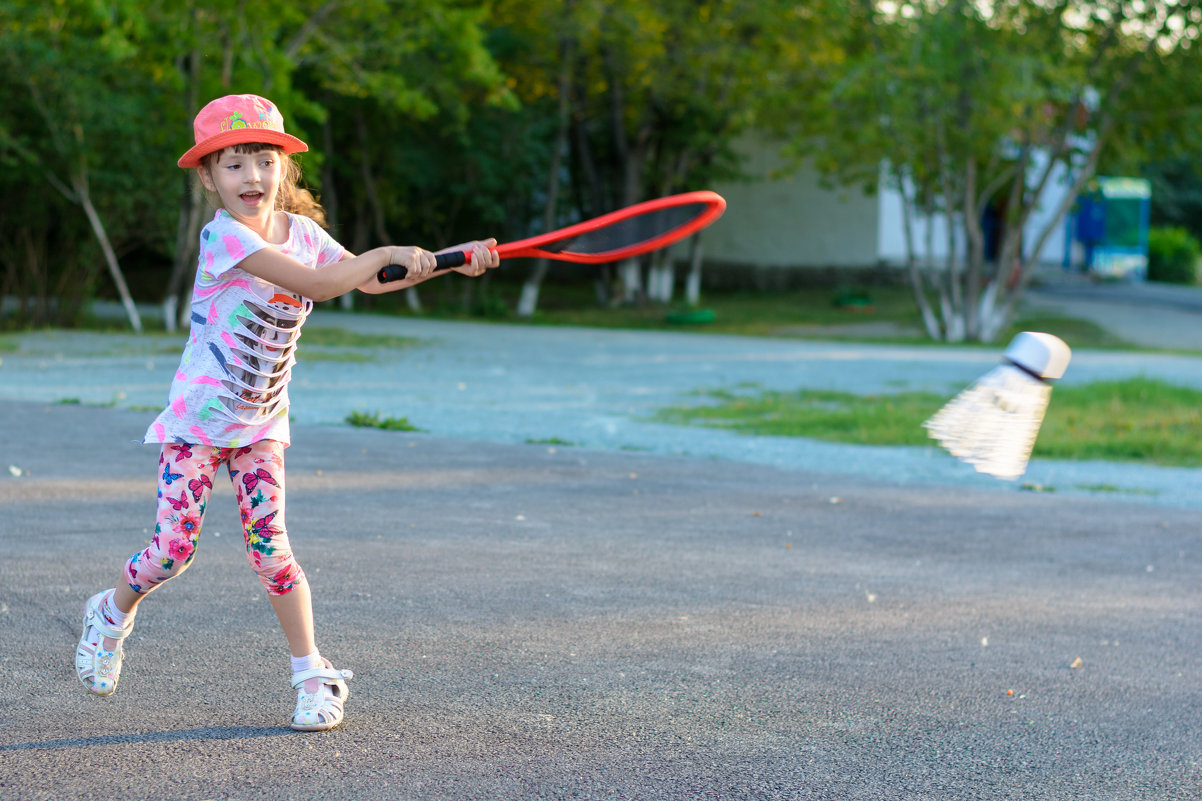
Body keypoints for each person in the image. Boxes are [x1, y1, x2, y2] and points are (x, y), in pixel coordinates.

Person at [74, 93, 500, 732]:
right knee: (171, 552)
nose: (252, 177)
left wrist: (445, 260)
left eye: (264, 161)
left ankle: (311, 675)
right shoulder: (224, 237)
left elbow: (367, 278)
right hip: (198, 423)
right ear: (209, 178)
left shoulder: (303, 234)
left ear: (284, 169)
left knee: (272, 551)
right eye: (234, 164)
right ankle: (109, 613)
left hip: (261, 426)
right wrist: (383, 252)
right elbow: (323, 283)